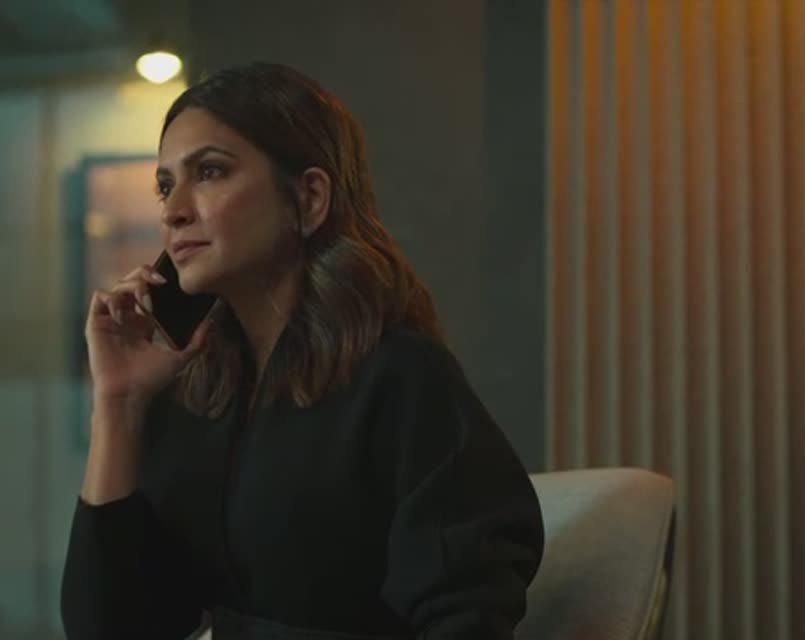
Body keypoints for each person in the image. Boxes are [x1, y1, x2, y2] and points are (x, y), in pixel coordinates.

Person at [60, 63, 544, 640]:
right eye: (165, 186)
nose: (172, 211)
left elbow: (467, 619)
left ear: (310, 198)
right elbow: (107, 630)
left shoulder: (401, 378)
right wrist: (118, 407)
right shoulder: (193, 400)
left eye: (209, 172)